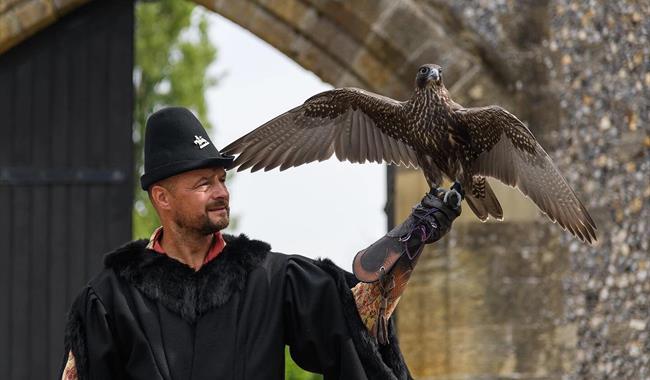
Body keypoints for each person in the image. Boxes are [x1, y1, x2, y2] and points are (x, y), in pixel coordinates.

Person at [60, 107, 462, 380]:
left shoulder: (270, 278)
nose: (221, 192)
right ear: (162, 198)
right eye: (204, 184)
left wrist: (411, 239)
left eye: (221, 179)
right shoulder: (111, 300)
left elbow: (359, 318)